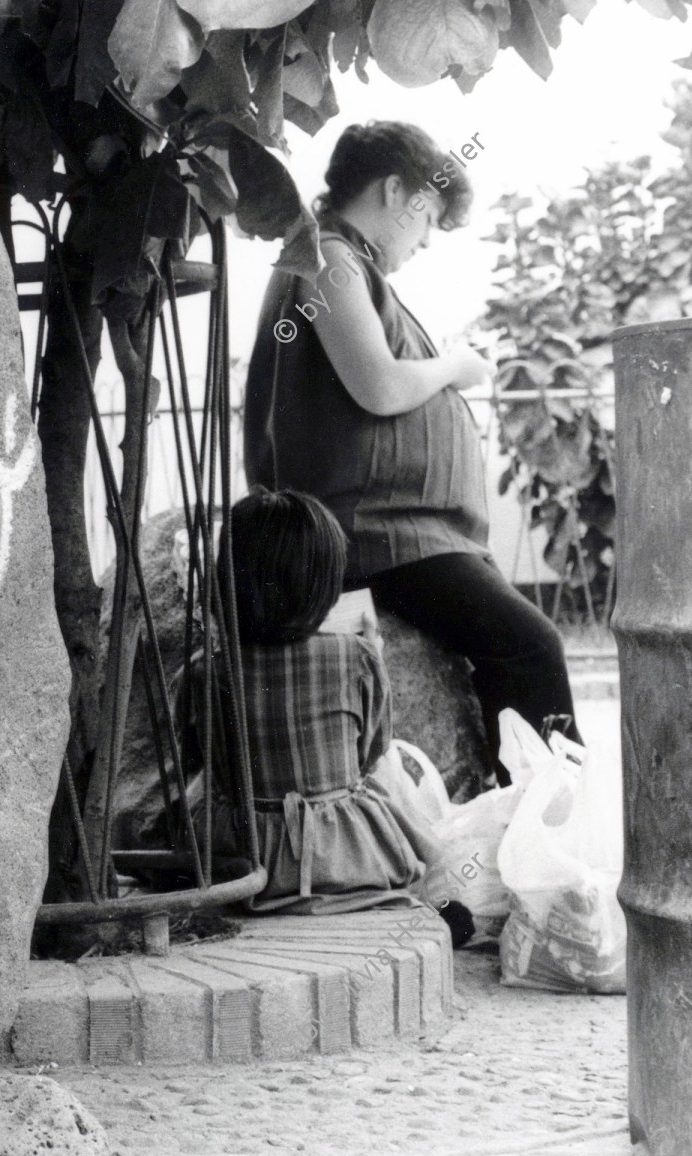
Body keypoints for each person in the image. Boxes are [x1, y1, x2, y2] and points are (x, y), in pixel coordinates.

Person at [242, 120, 575, 775]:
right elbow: (380, 386)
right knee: (532, 647)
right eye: (427, 221)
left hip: (401, 535)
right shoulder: (329, 258)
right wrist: (454, 365)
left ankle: (516, 816)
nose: (425, 242)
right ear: (396, 189)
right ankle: (542, 834)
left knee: (517, 647)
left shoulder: (342, 259)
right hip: (379, 537)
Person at [175, 490, 443, 914]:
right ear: (323, 586)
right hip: (344, 854)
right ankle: (424, 889)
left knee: (191, 801)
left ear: (229, 579)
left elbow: (195, 757)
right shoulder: (357, 656)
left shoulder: (204, 669)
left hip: (241, 860)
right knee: (385, 794)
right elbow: (370, 754)